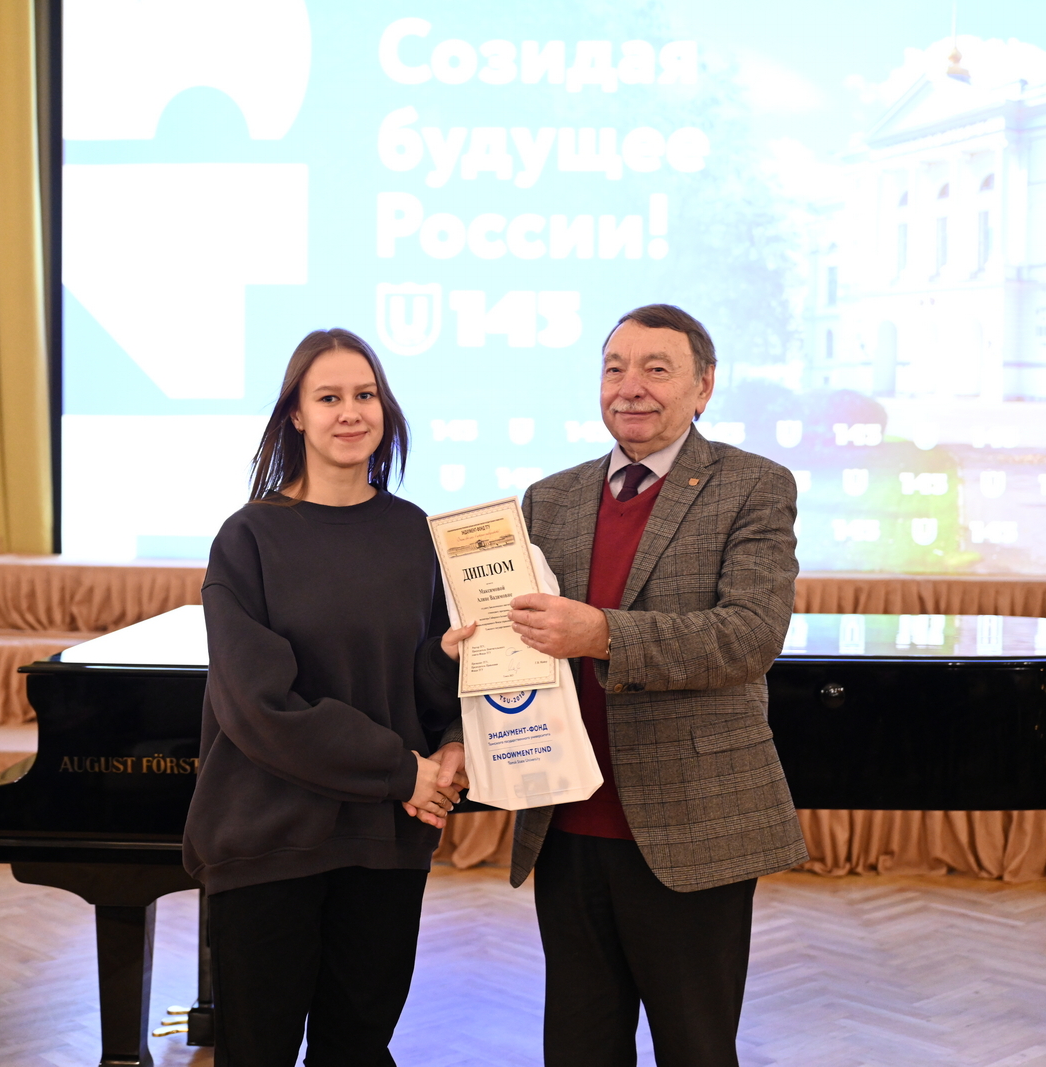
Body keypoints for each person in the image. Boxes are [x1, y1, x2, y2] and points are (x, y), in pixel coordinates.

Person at [504, 304, 809, 1067]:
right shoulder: (549, 498)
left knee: (695, 1048)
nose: (630, 386)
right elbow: (526, 642)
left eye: (656, 369)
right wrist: (476, 645)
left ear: (703, 386)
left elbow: (748, 635)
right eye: (615, 368)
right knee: (577, 1050)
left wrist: (601, 634)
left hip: (693, 827)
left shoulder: (754, 486)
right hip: (568, 823)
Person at [183, 327, 474, 1067]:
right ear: (296, 416)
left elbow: (422, 681)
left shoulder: (417, 533)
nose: (351, 412)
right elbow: (258, 707)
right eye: (329, 397)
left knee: (357, 1051)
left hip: (383, 842)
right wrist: (402, 771)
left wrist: (452, 732)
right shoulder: (248, 537)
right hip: (269, 840)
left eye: (365, 394)